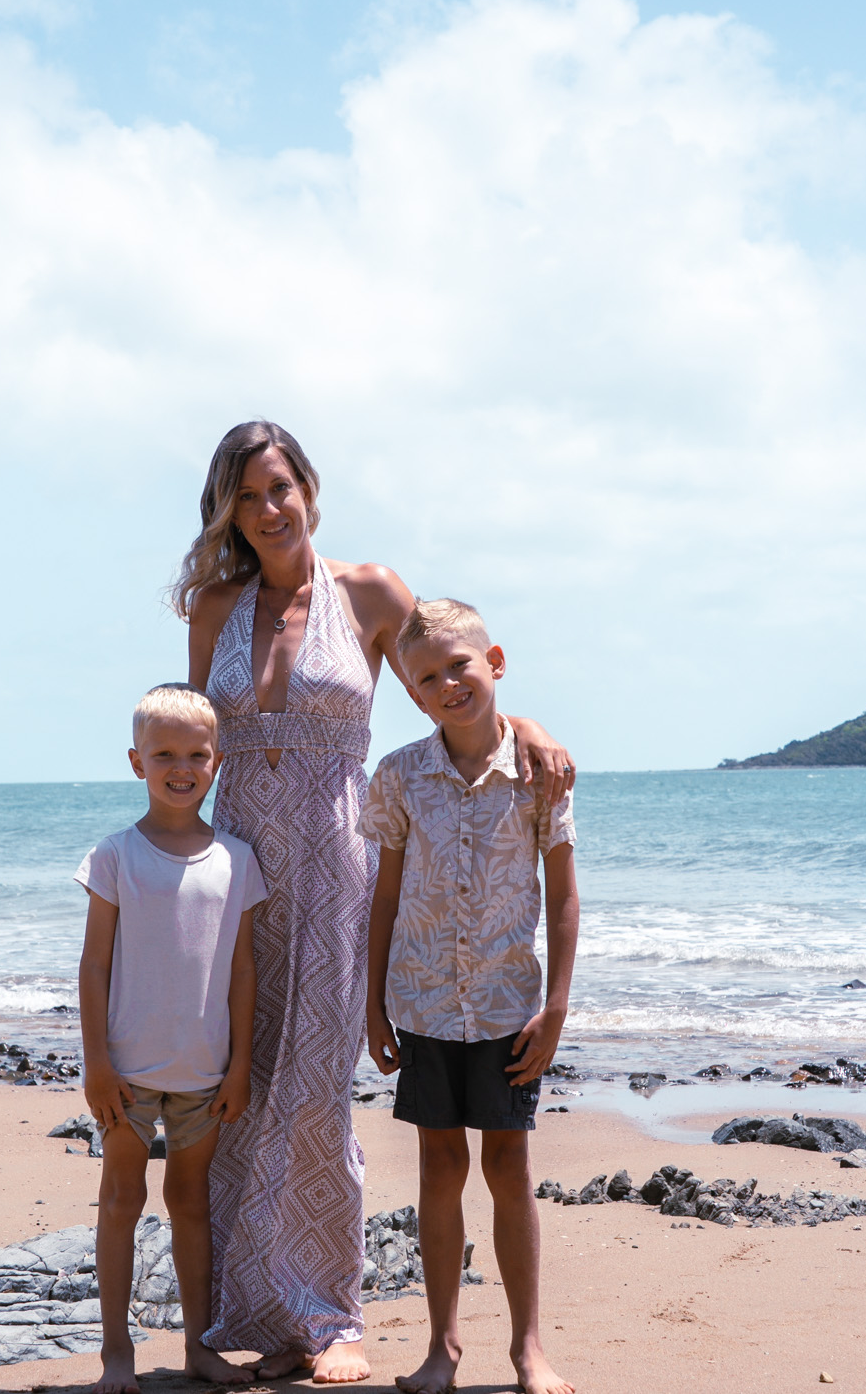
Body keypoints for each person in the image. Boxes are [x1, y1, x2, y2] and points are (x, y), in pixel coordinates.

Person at [175, 421, 575, 1383]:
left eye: (279, 487)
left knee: (316, 1090)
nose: (267, 509)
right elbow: (194, 742)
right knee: (241, 1089)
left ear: (309, 488)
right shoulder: (215, 606)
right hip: (239, 867)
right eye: (246, 496)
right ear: (228, 511)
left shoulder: (370, 592)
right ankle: (264, 1315)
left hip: (336, 864)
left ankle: (331, 1317)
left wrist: (524, 722)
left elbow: (449, 678)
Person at [363, 598, 580, 1394]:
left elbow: (562, 895)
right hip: (422, 1001)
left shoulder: (539, 773)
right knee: (439, 1166)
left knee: (509, 1167)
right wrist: (371, 1002)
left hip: (506, 1006)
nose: (447, 684)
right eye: (427, 677)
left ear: (495, 662)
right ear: (412, 694)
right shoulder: (399, 776)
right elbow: (384, 895)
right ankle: (442, 1346)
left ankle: (528, 1347)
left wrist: (556, 1005)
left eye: (459, 665)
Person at [75, 683, 264, 1394]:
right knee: (121, 1200)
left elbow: (242, 969)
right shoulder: (115, 855)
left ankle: (198, 1347)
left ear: (218, 761)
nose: (181, 768)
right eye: (164, 755)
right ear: (137, 762)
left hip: (205, 1071)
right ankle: (115, 1351)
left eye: (196, 755)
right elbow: (94, 964)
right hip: (126, 1072)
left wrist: (240, 1064)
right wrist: (97, 1062)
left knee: (191, 1204)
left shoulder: (236, 859)